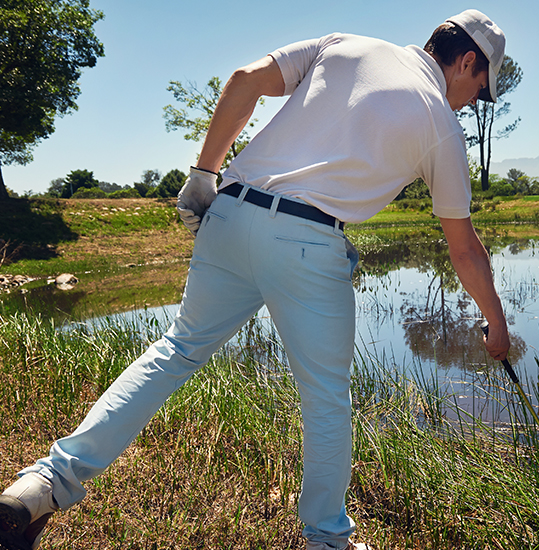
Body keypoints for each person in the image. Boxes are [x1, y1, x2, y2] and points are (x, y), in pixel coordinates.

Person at [0, 8, 510, 550]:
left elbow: (244, 81)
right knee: (326, 400)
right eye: (479, 91)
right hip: (310, 242)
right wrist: (496, 324)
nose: (471, 102)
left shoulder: (344, 44)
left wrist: (202, 175)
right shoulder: (441, 123)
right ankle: (326, 539)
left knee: (177, 350)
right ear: (468, 61)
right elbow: (464, 248)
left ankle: (46, 482)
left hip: (231, 211)